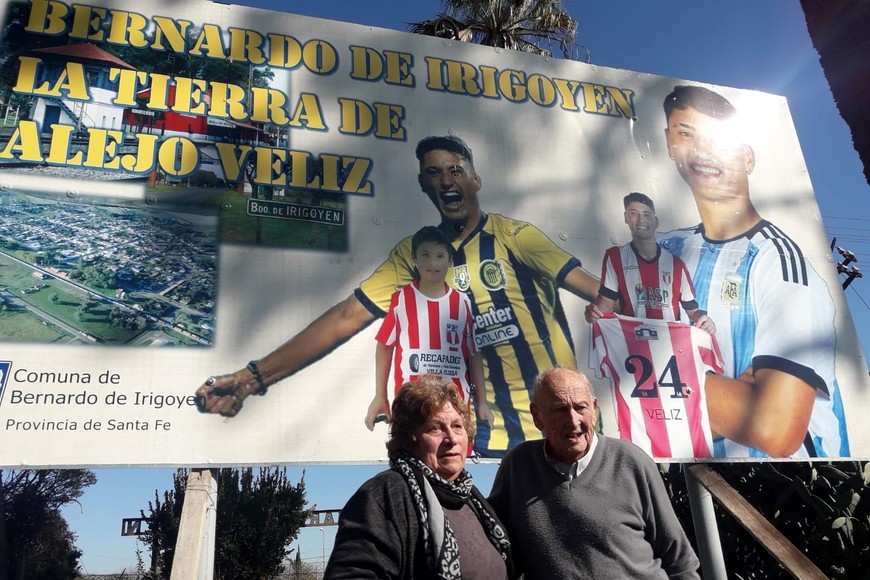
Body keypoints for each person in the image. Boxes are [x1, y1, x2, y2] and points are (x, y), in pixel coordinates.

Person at [195, 134, 600, 457]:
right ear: (424, 184)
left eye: (456, 170)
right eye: (434, 172)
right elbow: (345, 317)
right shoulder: (417, 253)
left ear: (474, 180)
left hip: (557, 435)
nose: (446, 180)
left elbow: (601, 292)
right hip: (477, 443)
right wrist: (251, 378)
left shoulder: (515, 237)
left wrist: (606, 304)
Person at [656, 85, 848, 458]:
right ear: (669, 144)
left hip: (782, 494)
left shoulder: (780, 264)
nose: (702, 151)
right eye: (685, 134)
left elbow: (772, 425)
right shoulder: (666, 248)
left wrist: (647, 367)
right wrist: (730, 389)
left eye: (717, 139)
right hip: (681, 476)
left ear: (747, 156)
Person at [488, 367, 699, 579]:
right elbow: (492, 551)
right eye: (560, 409)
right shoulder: (518, 468)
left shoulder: (631, 462)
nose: (573, 421)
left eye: (581, 408)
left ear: (594, 409)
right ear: (537, 416)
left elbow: (680, 562)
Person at [325, 376, 514, 580]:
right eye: (436, 428)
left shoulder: (473, 501)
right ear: (410, 439)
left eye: (457, 426)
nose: (451, 438)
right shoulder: (386, 494)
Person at [364, 225, 492, 430]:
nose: (433, 263)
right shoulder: (402, 299)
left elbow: (473, 353)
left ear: (450, 260)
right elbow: (385, 345)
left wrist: (482, 402)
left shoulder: (462, 302)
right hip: (412, 402)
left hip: (455, 404)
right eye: (426, 255)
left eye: (440, 256)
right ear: (415, 258)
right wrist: (380, 395)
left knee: (452, 455)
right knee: (413, 453)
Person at [586, 192, 714, 333]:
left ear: (656, 221)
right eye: (634, 213)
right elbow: (606, 304)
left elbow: (692, 310)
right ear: (626, 218)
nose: (641, 220)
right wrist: (595, 311)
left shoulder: (676, 264)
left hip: (669, 344)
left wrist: (703, 319)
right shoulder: (616, 257)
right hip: (632, 343)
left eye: (646, 214)